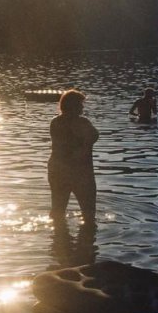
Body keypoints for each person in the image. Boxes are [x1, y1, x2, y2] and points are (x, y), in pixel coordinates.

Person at [48, 89, 99, 223]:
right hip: (81, 172)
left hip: (57, 170)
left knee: (57, 211)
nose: (82, 107)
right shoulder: (82, 123)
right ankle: (87, 239)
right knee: (88, 214)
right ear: (72, 105)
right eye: (80, 104)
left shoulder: (55, 122)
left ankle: (58, 240)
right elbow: (94, 136)